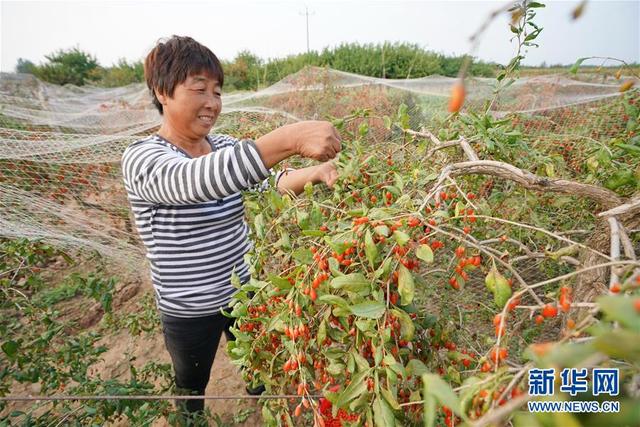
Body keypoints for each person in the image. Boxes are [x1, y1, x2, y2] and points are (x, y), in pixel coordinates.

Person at [120, 35, 341, 422]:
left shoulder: (221, 145)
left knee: (257, 363)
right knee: (191, 382)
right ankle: (191, 418)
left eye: (218, 91)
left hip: (243, 291)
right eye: (200, 89)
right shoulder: (143, 159)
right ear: (162, 92)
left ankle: (263, 408)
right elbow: (197, 181)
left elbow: (266, 182)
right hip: (189, 308)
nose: (212, 102)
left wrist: (314, 173)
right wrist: (289, 137)